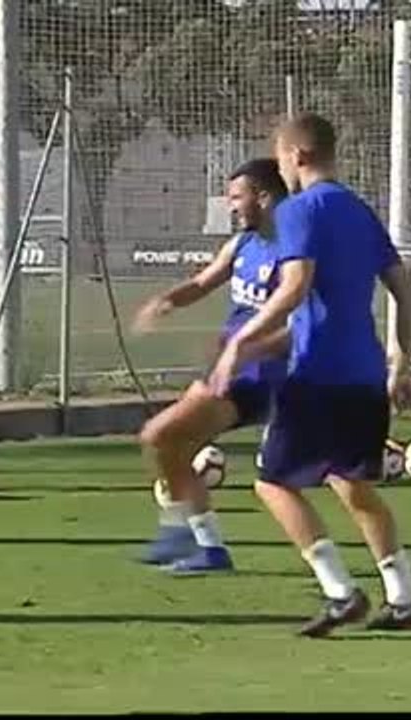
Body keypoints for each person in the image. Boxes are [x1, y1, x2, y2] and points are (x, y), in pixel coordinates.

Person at [210, 112, 411, 636]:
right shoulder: (358, 210)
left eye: (281, 159)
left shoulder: (300, 211)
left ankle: (340, 592)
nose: (281, 170)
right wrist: (401, 359)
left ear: (297, 157)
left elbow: (293, 288)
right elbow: (405, 290)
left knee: (271, 483)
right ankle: (404, 599)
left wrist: (239, 345)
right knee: (350, 482)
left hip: (317, 376)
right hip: (364, 372)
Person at [132, 158, 290, 573]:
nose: (232, 206)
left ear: (264, 196)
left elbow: (301, 325)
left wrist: (252, 349)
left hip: (258, 374)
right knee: (168, 444)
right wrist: (166, 300)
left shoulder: (295, 252)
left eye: (237, 197)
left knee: (159, 436)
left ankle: (184, 531)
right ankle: (206, 546)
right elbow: (203, 282)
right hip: (230, 368)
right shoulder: (243, 245)